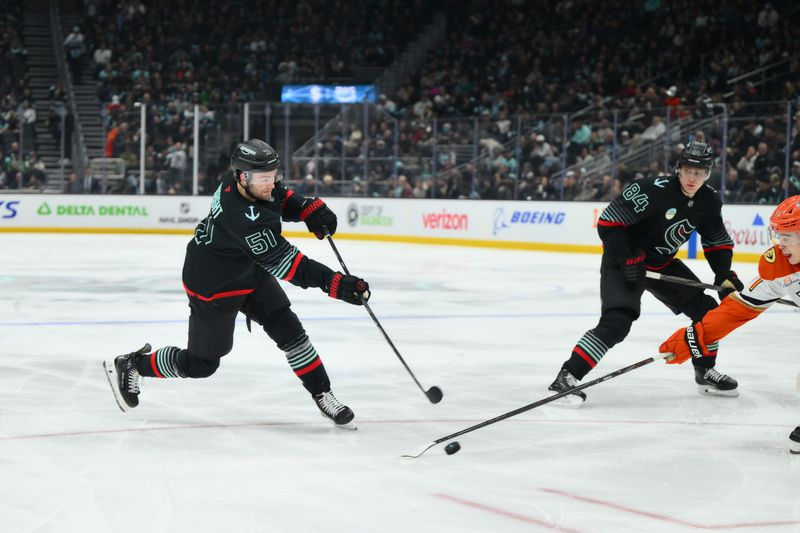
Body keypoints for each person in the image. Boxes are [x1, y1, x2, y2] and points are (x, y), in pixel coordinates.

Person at [103, 139, 371, 429]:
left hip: (247, 270)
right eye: (264, 178)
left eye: (273, 175)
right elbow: (292, 266)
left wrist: (308, 209)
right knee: (202, 364)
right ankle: (133, 364)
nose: (271, 183)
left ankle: (323, 394)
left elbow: (280, 197)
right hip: (214, 284)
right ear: (243, 177)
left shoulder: (247, 183)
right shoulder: (241, 217)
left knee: (291, 332)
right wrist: (336, 284)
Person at [548, 141, 742, 405]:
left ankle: (704, 370)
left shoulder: (709, 200)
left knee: (709, 314)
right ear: (678, 169)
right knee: (618, 321)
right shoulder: (652, 190)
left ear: (708, 173)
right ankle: (567, 376)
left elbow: (716, 242)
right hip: (624, 262)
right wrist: (627, 256)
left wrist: (723, 275)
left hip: (661, 264)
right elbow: (609, 223)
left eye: (699, 172)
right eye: (687, 170)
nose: (692, 178)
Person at [659, 195, 800, 454]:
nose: (780, 244)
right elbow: (737, 310)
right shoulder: (780, 268)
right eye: (777, 235)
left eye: (787, 236)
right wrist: (693, 338)